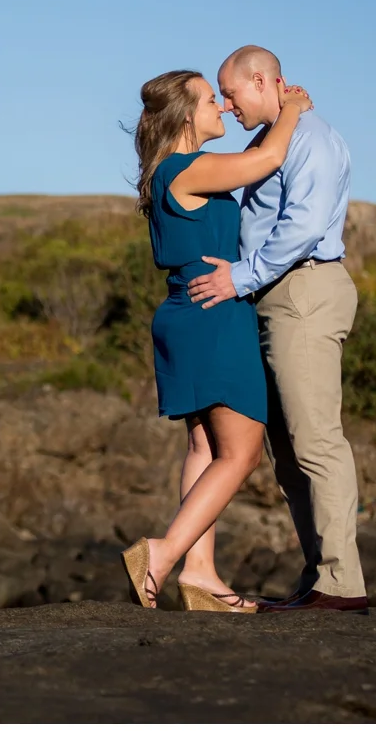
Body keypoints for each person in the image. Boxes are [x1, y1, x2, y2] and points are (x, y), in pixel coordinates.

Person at [122, 68, 312, 614]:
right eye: (212, 100)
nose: (223, 108)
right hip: (214, 314)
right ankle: (161, 554)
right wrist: (292, 107)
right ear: (187, 117)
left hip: (186, 311)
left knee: (205, 448)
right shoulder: (189, 168)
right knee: (242, 452)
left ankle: (200, 573)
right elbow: (268, 161)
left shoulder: (165, 174)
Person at [186, 45, 367, 615]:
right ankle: (321, 580)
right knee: (287, 449)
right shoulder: (273, 139)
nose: (228, 104)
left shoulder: (310, 139)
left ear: (261, 81)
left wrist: (240, 278)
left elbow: (304, 226)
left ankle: (342, 585)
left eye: (231, 92)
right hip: (278, 296)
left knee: (316, 440)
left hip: (305, 292)